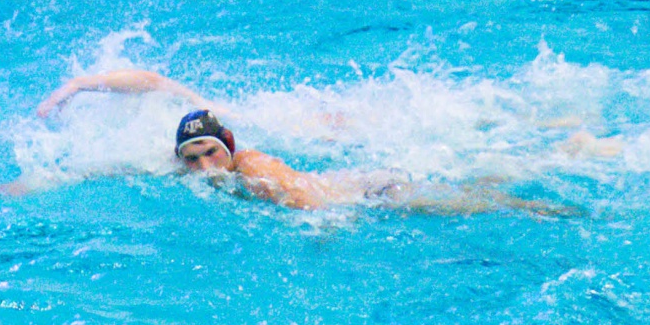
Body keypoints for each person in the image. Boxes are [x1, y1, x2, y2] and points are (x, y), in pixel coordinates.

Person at [33, 70, 572, 215]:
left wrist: (315, 228)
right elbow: (153, 81)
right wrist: (79, 86)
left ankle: (548, 192)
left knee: (476, 204)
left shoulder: (250, 163)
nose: (202, 167)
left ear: (229, 144)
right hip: (360, 187)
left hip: (372, 193)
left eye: (210, 153)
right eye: (191, 158)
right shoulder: (188, 163)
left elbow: (303, 197)